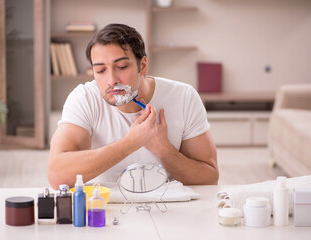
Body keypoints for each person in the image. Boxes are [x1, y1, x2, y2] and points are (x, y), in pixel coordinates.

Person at [47, 23, 219, 190]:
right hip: (107, 207)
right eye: (100, 70)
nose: (111, 80)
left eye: (121, 67)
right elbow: (57, 175)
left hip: (167, 207)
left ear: (142, 66)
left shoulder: (183, 97)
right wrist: (131, 143)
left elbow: (209, 178)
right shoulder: (84, 99)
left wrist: (163, 149)